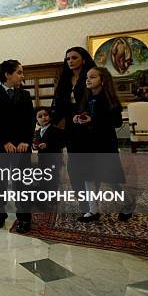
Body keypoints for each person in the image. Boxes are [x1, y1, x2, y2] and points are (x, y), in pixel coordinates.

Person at [73, 67, 133, 222]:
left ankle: (127, 204)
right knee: (88, 177)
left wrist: (93, 120)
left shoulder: (109, 99)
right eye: (87, 77)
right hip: (88, 144)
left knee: (111, 179)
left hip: (105, 144)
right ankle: (93, 211)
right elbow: (86, 116)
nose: (88, 80)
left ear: (103, 80)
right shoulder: (86, 98)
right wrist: (78, 119)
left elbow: (116, 122)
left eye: (92, 77)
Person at [0, 60, 35, 233]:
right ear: (7, 74)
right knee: (0, 181)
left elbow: (30, 121)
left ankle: (24, 217)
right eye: (19, 72)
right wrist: (4, 142)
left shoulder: (26, 95)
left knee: (22, 183)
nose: (23, 76)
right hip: (2, 146)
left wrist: (25, 141)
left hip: (22, 146)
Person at [51, 47, 96, 215]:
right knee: (73, 167)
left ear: (83, 59)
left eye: (74, 57)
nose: (70, 61)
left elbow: (96, 100)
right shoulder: (65, 78)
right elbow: (58, 105)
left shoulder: (91, 76)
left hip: (88, 127)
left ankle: (92, 205)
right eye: (67, 58)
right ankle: (84, 204)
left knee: (89, 167)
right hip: (71, 127)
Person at [33, 106, 65, 211]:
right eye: (40, 116)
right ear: (37, 120)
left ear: (50, 117)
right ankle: (44, 198)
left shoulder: (56, 130)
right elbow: (37, 143)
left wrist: (48, 145)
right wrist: (35, 146)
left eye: (46, 115)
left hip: (54, 159)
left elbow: (61, 143)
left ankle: (52, 198)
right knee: (44, 178)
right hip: (43, 160)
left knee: (53, 179)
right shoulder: (38, 132)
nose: (43, 118)